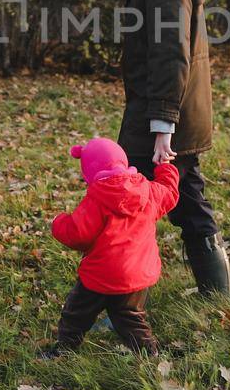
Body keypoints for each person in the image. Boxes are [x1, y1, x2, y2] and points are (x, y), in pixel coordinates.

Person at [95, 0, 230, 294]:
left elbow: (172, 52)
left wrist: (162, 126)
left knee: (125, 202)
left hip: (162, 113)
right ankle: (216, 294)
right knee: (187, 199)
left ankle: (119, 301)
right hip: (167, 110)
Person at [45, 137, 180, 355]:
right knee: (130, 316)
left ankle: (65, 349)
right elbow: (169, 193)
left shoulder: (97, 198)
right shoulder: (148, 191)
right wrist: (165, 168)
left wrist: (59, 223)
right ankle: (148, 352)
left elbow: (79, 234)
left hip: (101, 274)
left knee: (77, 312)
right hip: (136, 273)